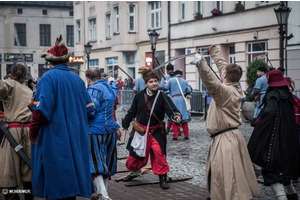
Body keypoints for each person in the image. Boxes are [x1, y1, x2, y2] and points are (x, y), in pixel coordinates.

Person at [190, 45, 261, 200]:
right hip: (230, 137)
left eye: (222, 74)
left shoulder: (225, 92)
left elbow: (211, 82)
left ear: (224, 77)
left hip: (225, 140)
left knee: (226, 175)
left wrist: (201, 64)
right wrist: (214, 50)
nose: (221, 74)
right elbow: (223, 66)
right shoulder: (233, 86)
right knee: (225, 174)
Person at [29, 35, 93, 200]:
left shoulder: (47, 78)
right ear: (67, 61)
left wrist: (33, 133)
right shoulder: (78, 80)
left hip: (55, 135)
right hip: (76, 135)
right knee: (72, 175)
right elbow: (90, 109)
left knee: (56, 178)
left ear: (50, 62)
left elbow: (41, 111)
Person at [121, 69, 181, 189]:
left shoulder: (163, 96)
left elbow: (172, 109)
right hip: (141, 131)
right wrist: (125, 124)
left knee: (159, 154)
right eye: (151, 81)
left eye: (156, 81)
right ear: (146, 84)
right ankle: (134, 172)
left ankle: (162, 177)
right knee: (134, 155)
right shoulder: (139, 95)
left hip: (156, 131)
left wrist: (176, 116)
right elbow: (132, 111)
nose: (154, 83)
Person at [248, 70, 299, 200]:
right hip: (287, 138)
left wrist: (258, 121)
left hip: (274, 137)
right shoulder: (287, 95)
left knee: (270, 166)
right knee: (283, 166)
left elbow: (269, 113)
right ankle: (292, 194)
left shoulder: (273, 96)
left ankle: (281, 196)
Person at [85, 68, 121, 200]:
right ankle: (103, 194)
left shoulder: (94, 89)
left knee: (94, 163)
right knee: (105, 163)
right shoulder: (110, 88)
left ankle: (104, 196)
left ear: (88, 79)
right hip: (110, 130)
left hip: (95, 131)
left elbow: (91, 110)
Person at [0, 64, 34, 200]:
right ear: (26, 76)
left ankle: (11, 198)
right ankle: (29, 197)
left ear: (11, 75)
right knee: (28, 174)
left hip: (12, 132)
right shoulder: (30, 90)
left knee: (7, 174)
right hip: (29, 132)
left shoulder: (9, 84)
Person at [164, 70, 191, 140]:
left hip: (174, 99)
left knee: (175, 117)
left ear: (175, 74)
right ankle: (186, 135)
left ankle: (175, 135)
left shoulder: (171, 80)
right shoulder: (185, 81)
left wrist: (166, 83)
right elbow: (188, 90)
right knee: (184, 119)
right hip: (182, 100)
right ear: (181, 75)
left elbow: (165, 88)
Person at [159, 63, 174, 134]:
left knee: (167, 111)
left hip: (167, 95)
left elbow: (161, 86)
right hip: (173, 95)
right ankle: (174, 128)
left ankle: (168, 128)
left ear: (167, 70)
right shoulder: (174, 76)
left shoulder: (165, 76)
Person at [285, 77, 300, 142]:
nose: (289, 88)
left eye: (290, 86)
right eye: (287, 86)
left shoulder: (296, 99)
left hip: (296, 125)